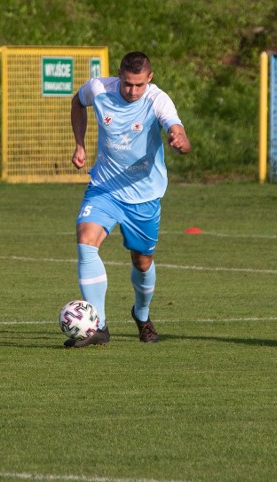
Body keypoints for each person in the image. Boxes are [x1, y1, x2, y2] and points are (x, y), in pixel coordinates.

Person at [66, 51, 191, 347]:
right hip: (105, 188)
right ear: (119, 76)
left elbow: (176, 128)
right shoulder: (98, 88)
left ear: (149, 78)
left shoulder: (157, 100)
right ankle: (99, 326)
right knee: (86, 241)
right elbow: (77, 101)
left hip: (144, 196)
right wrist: (79, 144)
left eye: (139, 85)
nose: (132, 91)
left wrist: (180, 141)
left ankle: (142, 314)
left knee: (143, 261)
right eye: (127, 84)